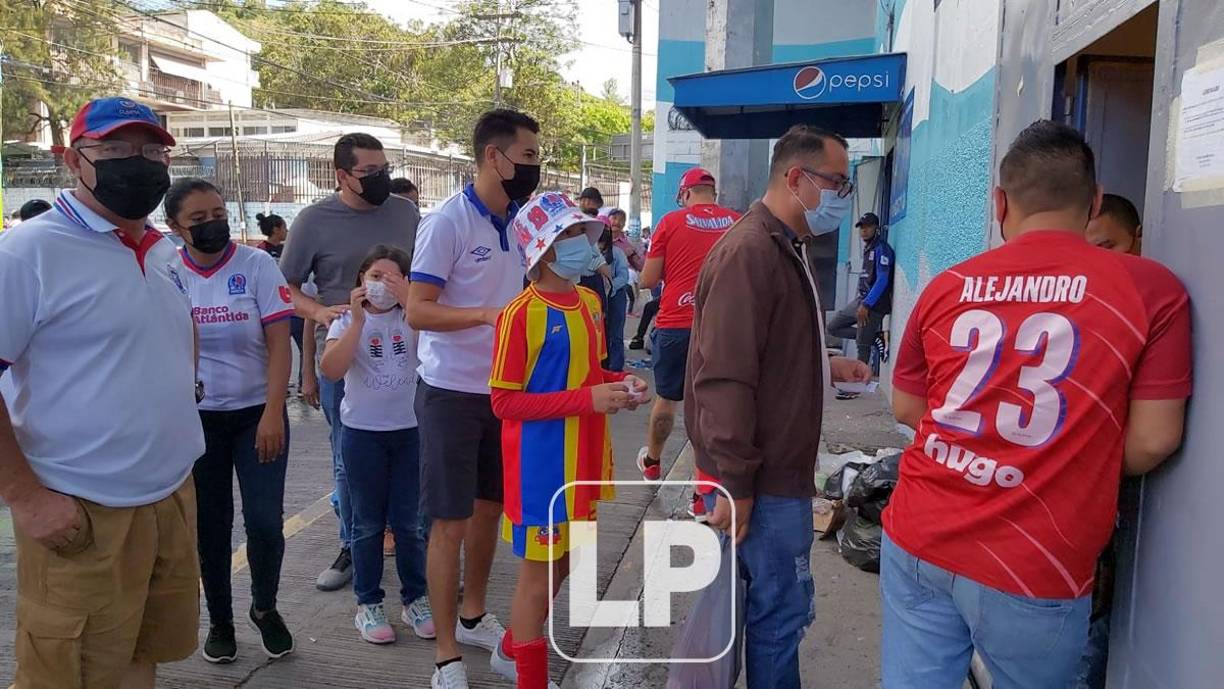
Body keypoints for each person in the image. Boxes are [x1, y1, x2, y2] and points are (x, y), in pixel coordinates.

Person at [885, 121, 1192, 689]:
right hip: (1034, 557)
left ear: (1000, 203)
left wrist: (980, 451)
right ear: (1094, 201)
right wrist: (1066, 455)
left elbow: (907, 406)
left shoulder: (947, 286)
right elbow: (1154, 439)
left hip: (919, 532)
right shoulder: (1151, 290)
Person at [0, 96, 205, 689]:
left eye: (150, 152)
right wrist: (26, 498)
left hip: (167, 495)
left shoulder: (160, 249)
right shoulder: (28, 253)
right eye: (113, 149)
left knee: (142, 656)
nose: (135, 162)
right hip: (81, 510)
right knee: (68, 675)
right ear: (72, 160)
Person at [687, 125, 871, 688]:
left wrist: (825, 364)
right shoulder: (750, 252)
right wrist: (737, 483)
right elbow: (724, 378)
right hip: (762, 482)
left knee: (776, 614)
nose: (842, 197)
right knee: (777, 619)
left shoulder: (782, 245)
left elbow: (767, 351)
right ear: (796, 179)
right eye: (836, 183)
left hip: (773, 474)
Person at [406, 108, 541, 689]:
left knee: (490, 510)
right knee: (449, 523)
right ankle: (446, 656)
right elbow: (417, 310)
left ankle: (473, 615)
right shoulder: (447, 223)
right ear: (494, 156)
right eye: (528, 156)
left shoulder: (523, 221)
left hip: (505, 394)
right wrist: (486, 315)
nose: (534, 167)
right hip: (451, 395)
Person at [489, 193, 647, 689]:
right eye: (570, 234)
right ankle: (528, 676)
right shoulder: (519, 314)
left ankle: (512, 647)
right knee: (537, 579)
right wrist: (589, 399)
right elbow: (504, 403)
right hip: (540, 469)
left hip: (584, 462)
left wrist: (621, 384)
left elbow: (589, 374)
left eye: (582, 231)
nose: (583, 242)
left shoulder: (589, 303)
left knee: (565, 563)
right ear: (543, 250)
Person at [280, 132, 420, 591]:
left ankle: (412, 547)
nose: (381, 178)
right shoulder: (313, 221)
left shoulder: (405, 213)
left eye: (385, 169)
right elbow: (285, 288)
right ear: (342, 175)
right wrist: (319, 313)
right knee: (348, 457)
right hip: (346, 351)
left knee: (411, 453)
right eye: (369, 172)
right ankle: (352, 545)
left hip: (405, 352)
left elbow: (424, 275)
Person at [166, 178, 296, 664]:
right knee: (211, 527)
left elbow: (280, 344)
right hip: (197, 421)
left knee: (264, 522)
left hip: (257, 415)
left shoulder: (256, 265)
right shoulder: (166, 272)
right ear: (175, 226)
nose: (212, 225)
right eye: (198, 219)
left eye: (218, 215)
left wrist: (273, 411)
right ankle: (220, 621)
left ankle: (265, 607)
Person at [320, 245, 435, 645]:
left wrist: (411, 302)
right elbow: (331, 369)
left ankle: (415, 598)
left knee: (410, 524)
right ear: (360, 281)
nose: (382, 286)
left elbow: (432, 354)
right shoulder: (345, 321)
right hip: (362, 435)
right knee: (366, 524)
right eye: (375, 277)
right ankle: (368, 603)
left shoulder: (413, 319)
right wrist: (356, 322)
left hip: (409, 433)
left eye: (393, 278)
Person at [636, 167, 740, 522]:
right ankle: (701, 495)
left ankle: (652, 463)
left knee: (667, 398)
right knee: (709, 408)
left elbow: (648, 279)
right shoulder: (737, 222)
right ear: (713, 192)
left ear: (684, 194)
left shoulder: (670, 222)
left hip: (676, 324)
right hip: (721, 327)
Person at [826, 212, 894, 366]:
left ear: (876, 228)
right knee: (833, 327)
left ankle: (859, 377)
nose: (864, 230)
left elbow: (882, 280)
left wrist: (866, 304)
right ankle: (875, 337)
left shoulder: (882, 249)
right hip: (861, 300)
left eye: (868, 227)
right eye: (861, 227)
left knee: (862, 345)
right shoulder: (868, 248)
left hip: (874, 305)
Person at [598, 221, 632, 371]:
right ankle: (603, 366)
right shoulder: (591, 253)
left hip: (616, 296)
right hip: (598, 297)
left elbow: (623, 276)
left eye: (602, 246)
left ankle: (616, 368)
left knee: (616, 334)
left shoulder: (617, 253)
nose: (599, 248)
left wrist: (609, 288)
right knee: (601, 333)